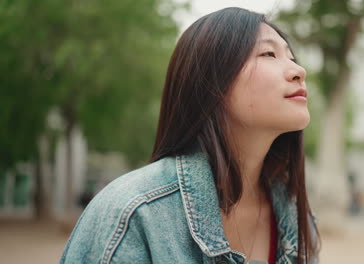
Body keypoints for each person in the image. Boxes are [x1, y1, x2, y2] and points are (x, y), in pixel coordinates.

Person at [60, 7, 320, 264]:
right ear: (212, 82)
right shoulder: (135, 213)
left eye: (292, 57)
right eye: (269, 53)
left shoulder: (295, 217)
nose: (299, 71)